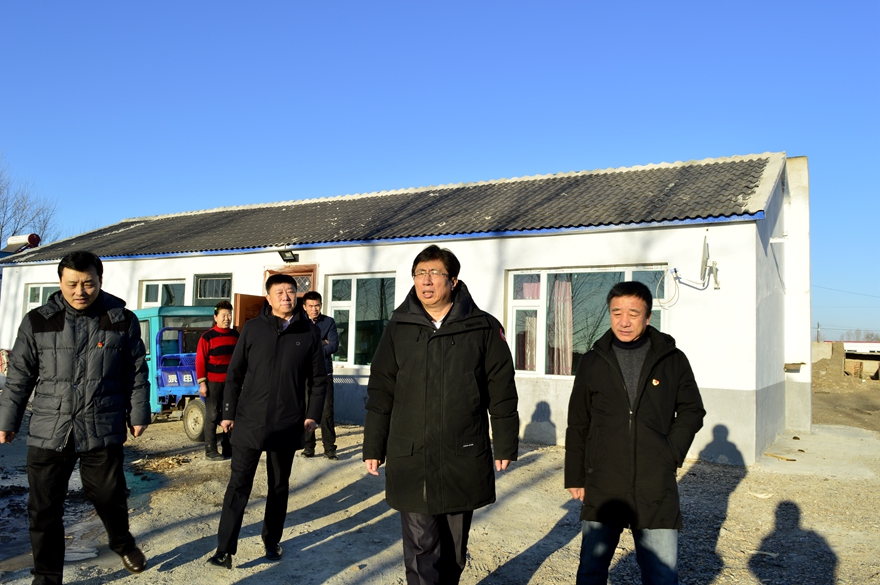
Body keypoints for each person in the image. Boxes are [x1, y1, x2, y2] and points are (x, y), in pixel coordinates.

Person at [363, 244, 519, 585]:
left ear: (453, 281)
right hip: (411, 453)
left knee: (453, 550)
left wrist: (506, 442)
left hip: (461, 452)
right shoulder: (399, 327)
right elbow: (381, 389)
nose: (426, 281)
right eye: (420, 273)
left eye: (435, 273)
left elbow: (502, 389)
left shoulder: (482, 327)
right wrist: (373, 444)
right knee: (421, 548)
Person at [0, 250, 150, 584]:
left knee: (109, 495)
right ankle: (47, 576)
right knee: (43, 508)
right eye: (72, 284)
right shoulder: (38, 321)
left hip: (101, 423)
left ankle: (122, 542)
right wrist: (7, 420)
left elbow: (136, 372)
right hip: (50, 428)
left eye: (88, 283)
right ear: (60, 282)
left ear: (99, 280)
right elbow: (19, 376)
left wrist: (138, 412)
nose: (80, 291)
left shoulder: (121, 320)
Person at [564, 281, 705, 585]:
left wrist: (670, 453)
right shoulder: (592, 361)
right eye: (617, 313)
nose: (624, 321)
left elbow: (693, 410)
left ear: (648, 317)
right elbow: (578, 422)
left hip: (655, 483)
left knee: (661, 575)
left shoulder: (672, 359)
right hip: (604, 480)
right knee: (591, 571)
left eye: (633, 313)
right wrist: (575, 474)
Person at [208, 274, 327, 568]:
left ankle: (272, 540)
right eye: (279, 292)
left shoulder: (308, 332)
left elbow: (319, 379)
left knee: (278, 486)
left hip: (287, 421)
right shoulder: (253, 329)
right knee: (238, 485)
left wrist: (312, 414)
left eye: (291, 291)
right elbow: (234, 375)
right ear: (269, 298)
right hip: (249, 420)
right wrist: (228, 413)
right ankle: (224, 549)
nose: (286, 296)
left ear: (297, 296)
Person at [196, 300, 239, 461]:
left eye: (229, 315)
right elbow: (200, 361)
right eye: (223, 315)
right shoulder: (207, 337)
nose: (227, 318)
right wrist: (202, 383)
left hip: (231, 383)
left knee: (230, 414)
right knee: (213, 415)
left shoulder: (235, 335)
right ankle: (210, 449)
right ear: (215, 317)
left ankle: (228, 447)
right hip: (213, 382)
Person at [301, 291, 340, 459]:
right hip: (305, 374)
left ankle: (330, 449)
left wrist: (312, 349)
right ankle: (308, 447)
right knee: (306, 411)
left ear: (321, 305)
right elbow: (298, 347)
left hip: (325, 373)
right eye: (310, 306)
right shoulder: (299, 323)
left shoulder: (328, 322)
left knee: (327, 412)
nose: (314, 309)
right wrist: (322, 343)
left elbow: (334, 346)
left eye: (317, 305)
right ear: (304, 307)